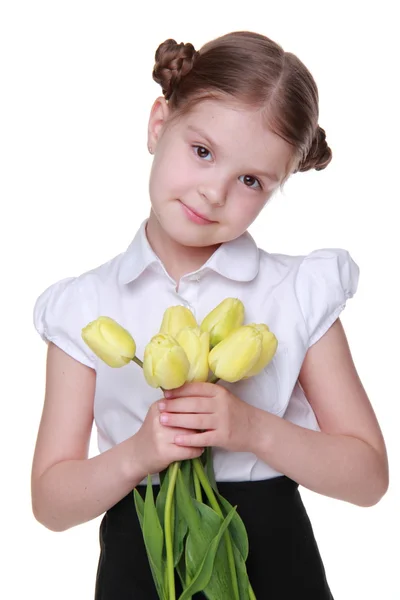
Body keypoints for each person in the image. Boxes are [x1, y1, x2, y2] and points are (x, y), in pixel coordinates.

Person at [31, 31, 389, 599]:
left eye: (250, 180)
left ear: (276, 187)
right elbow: (50, 502)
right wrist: (139, 454)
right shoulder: (87, 306)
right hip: (139, 557)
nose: (215, 193)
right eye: (202, 151)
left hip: (274, 558)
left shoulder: (296, 293)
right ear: (158, 124)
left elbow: (369, 476)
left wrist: (251, 429)